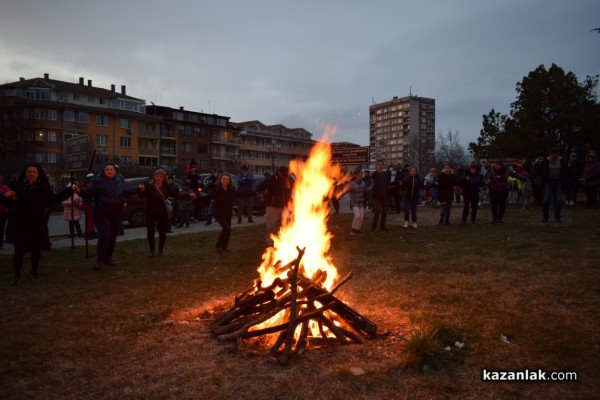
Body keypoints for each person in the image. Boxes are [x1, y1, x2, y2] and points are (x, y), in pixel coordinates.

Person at [1, 163, 75, 284]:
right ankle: (17, 276)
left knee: (36, 248)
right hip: (19, 223)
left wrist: (69, 191)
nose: (31, 174)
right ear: (25, 173)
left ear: (38, 174)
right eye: (29, 172)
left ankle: (34, 272)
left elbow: (53, 200)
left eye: (34, 172)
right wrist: (6, 196)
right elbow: (9, 203)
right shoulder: (17, 186)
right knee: (18, 250)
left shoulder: (43, 187)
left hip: (37, 222)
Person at [75, 163, 141, 270]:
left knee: (112, 237)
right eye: (107, 169)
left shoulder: (118, 181)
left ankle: (108, 259)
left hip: (115, 212)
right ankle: (99, 261)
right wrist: (79, 191)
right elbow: (89, 191)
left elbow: (124, 192)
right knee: (105, 236)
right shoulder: (98, 181)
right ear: (104, 171)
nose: (110, 171)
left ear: (115, 171)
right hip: (101, 212)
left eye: (111, 169)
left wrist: (137, 189)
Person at [138, 169, 196, 257]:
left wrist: (188, 195)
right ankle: (152, 250)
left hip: (162, 212)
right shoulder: (149, 186)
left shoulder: (166, 187)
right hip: (150, 212)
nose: (159, 178)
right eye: (157, 176)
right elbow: (141, 196)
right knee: (150, 231)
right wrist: (141, 190)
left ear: (164, 178)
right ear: (154, 177)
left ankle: (160, 250)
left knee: (162, 232)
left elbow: (176, 195)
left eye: (161, 177)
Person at [257, 166, 293, 246]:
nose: (285, 177)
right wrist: (258, 191)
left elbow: (293, 187)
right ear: (279, 172)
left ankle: (286, 237)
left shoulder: (287, 179)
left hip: (285, 206)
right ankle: (270, 239)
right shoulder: (272, 179)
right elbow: (261, 186)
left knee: (287, 222)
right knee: (271, 224)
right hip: (273, 206)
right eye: (283, 175)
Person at [532, 149, 567, 223]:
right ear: (549, 155)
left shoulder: (561, 162)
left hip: (558, 182)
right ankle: (545, 216)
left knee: (558, 201)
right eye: (552, 154)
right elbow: (538, 171)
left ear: (557, 155)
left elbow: (566, 171)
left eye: (554, 154)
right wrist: (531, 177)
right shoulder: (545, 162)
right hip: (548, 182)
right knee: (546, 200)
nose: (553, 156)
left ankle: (557, 217)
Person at [206, 173, 235, 252]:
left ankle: (225, 246)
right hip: (219, 213)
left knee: (228, 230)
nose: (225, 181)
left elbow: (240, 194)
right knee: (225, 228)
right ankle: (218, 246)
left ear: (229, 181)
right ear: (220, 180)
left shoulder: (231, 189)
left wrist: (253, 193)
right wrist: (196, 197)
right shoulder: (216, 190)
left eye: (227, 179)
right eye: (224, 179)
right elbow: (208, 197)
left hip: (228, 212)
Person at [342, 170, 370, 235]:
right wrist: (341, 193)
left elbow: (366, 190)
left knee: (361, 217)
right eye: (359, 175)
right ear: (356, 176)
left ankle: (358, 229)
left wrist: (372, 185)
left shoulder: (363, 183)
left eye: (361, 175)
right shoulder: (352, 184)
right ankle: (353, 229)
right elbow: (346, 190)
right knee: (357, 216)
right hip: (354, 202)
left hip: (361, 202)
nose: (360, 176)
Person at [369, 160, 390, 231]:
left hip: (384, 195)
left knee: (384, 211)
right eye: (379, 164)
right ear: (376, 165)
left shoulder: (386, 174)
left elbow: (387, 184)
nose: (380, 166)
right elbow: (371, 183)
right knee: (377, 210)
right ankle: (374, 226)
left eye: (381, 164)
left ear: (383, 166)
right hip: (376, 195)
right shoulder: (374, 174)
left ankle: (382, 226)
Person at [80, 173, 97, 240]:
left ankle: (91, 232)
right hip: (89, 204)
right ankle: (89, 233)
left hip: (87, 204)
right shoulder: (89, 185)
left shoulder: (84, 184)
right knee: (90, 219)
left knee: (89, 219)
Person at [0, 175, 10, 249]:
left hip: (2, 211)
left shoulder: (4, 187)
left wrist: (7, 207)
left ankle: (0, 243)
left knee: (1, 227)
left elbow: (10, 198)